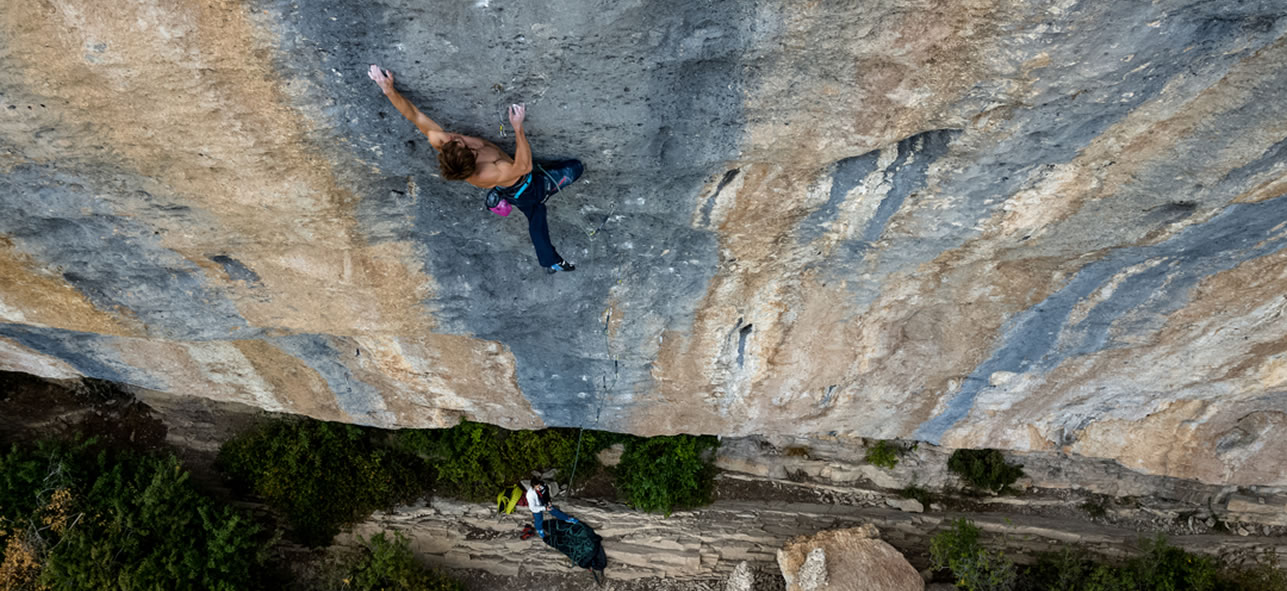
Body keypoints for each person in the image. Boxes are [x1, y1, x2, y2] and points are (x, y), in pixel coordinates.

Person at [368, 65, 582, 274]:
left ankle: (503, 200)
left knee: (534, 213)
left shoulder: (445, 142)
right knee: (567, 178)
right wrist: (518, 127)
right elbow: (523, 166)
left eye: (455, 140)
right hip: (525, 187)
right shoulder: (491, 171)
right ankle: (551, 261)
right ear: (473, 159)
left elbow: (414, 114)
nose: (455, 137)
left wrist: (388, 90)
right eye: (460, 143)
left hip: (507, 181)